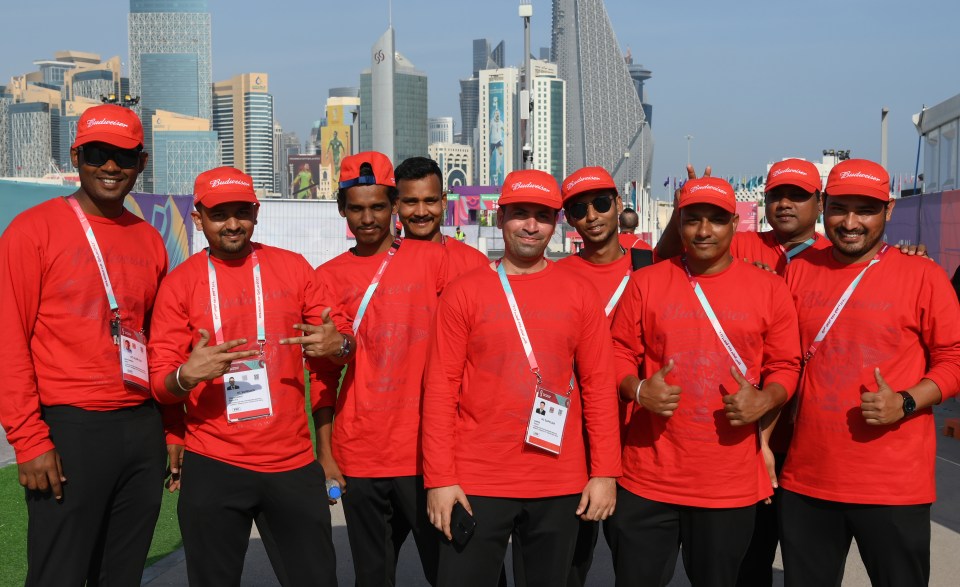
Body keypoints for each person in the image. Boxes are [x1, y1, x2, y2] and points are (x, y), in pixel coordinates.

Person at [148, 166, 349, 586]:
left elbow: (337, 342)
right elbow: (160, 384)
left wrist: (339, 344)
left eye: (243, 211)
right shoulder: (179, 284)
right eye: (220, 214)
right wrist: (187, 376)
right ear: (198, 218)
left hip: (291, 462)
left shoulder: (293, 268)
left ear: (256, 213)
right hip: (214, 461)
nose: (233, 223)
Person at [423, 169, 621, 587]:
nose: (531, 225)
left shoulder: (579, 290)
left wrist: (604, 473)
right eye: (520, 214)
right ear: (500, 218)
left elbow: (599, 386)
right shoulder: (464, 291)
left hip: (558, 480)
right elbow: (440, 391)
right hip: (478, 480)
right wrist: (440, 479)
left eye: (542, 216)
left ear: (555, 223)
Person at [0, 104, 170, 585]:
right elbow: (7, 339)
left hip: (141, 428)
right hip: (69, 428)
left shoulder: (150, 240)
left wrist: (171, 430)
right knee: (61, 574)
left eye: (124, 156)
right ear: (76, 156)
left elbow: (158, 343)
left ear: (142, 161)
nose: (111, 167)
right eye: (98, 154)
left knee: (122, 574)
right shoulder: (32, 231)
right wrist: (29, 440)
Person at [607, 177, 801, 587]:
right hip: (647, 479)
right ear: (679, 223)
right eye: (692, 219)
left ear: (735, 223)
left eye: (716, 219)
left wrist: (765, 400)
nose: (703, 230)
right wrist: (638, 389)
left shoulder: (769, 288)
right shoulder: (646, 283)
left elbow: (786, 364)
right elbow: (617, 352)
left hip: (728, 484)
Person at [779, 159, 960, 586]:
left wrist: (907, 400)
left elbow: (953, 359)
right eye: (840, 208)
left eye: (867, 210)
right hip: (807, 481)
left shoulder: (924, 275)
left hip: (895, 487)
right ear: (824, 205)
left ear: (889, 210)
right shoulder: (799, 270)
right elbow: (778, 358)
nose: (851, 222)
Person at [314, 151, 449, 586]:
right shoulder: (326, 277)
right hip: (361, 456)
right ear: (342, 210)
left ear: (395, 207)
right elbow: (322, 376)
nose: (367, 218)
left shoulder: (439, 261)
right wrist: (327, 453)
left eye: (377, 207)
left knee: (453, 571)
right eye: (356, 208)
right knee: (373, 577)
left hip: (425, 455)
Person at [555, 166, 649, 587]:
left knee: (634, 564)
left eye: (600, 203)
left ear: (618, 204)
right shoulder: (556, 276)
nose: (591, 215)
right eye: (578, 209)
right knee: (570, 562)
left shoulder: (648, 264)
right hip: (575, 440)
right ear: (569, 219)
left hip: (635, 439)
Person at [395, 156, 488, 279]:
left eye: (430, 201)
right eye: (411, 202)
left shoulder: (475, 264)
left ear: (443, 201)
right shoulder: (385, 263)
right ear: (395, 204)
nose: (421, 212)